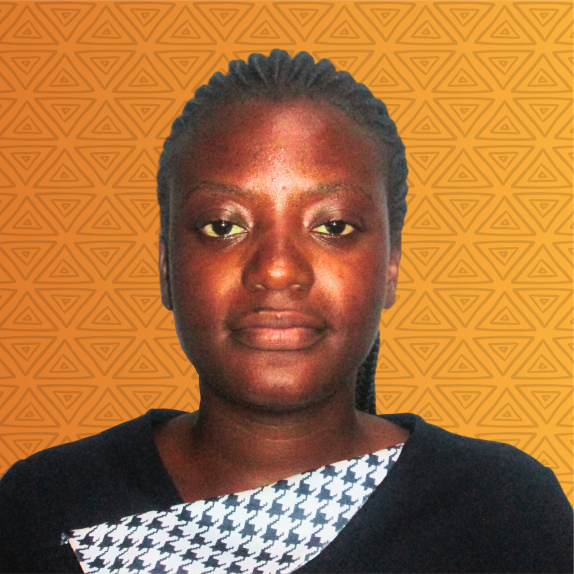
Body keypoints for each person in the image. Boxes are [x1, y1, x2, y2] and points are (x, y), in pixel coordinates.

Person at [0, 49, 572, 574]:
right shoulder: (40, 509)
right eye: (222, 226)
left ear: (391, 264)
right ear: (167, 266)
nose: (276, 269)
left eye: (334, 226)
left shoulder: (505, 514)